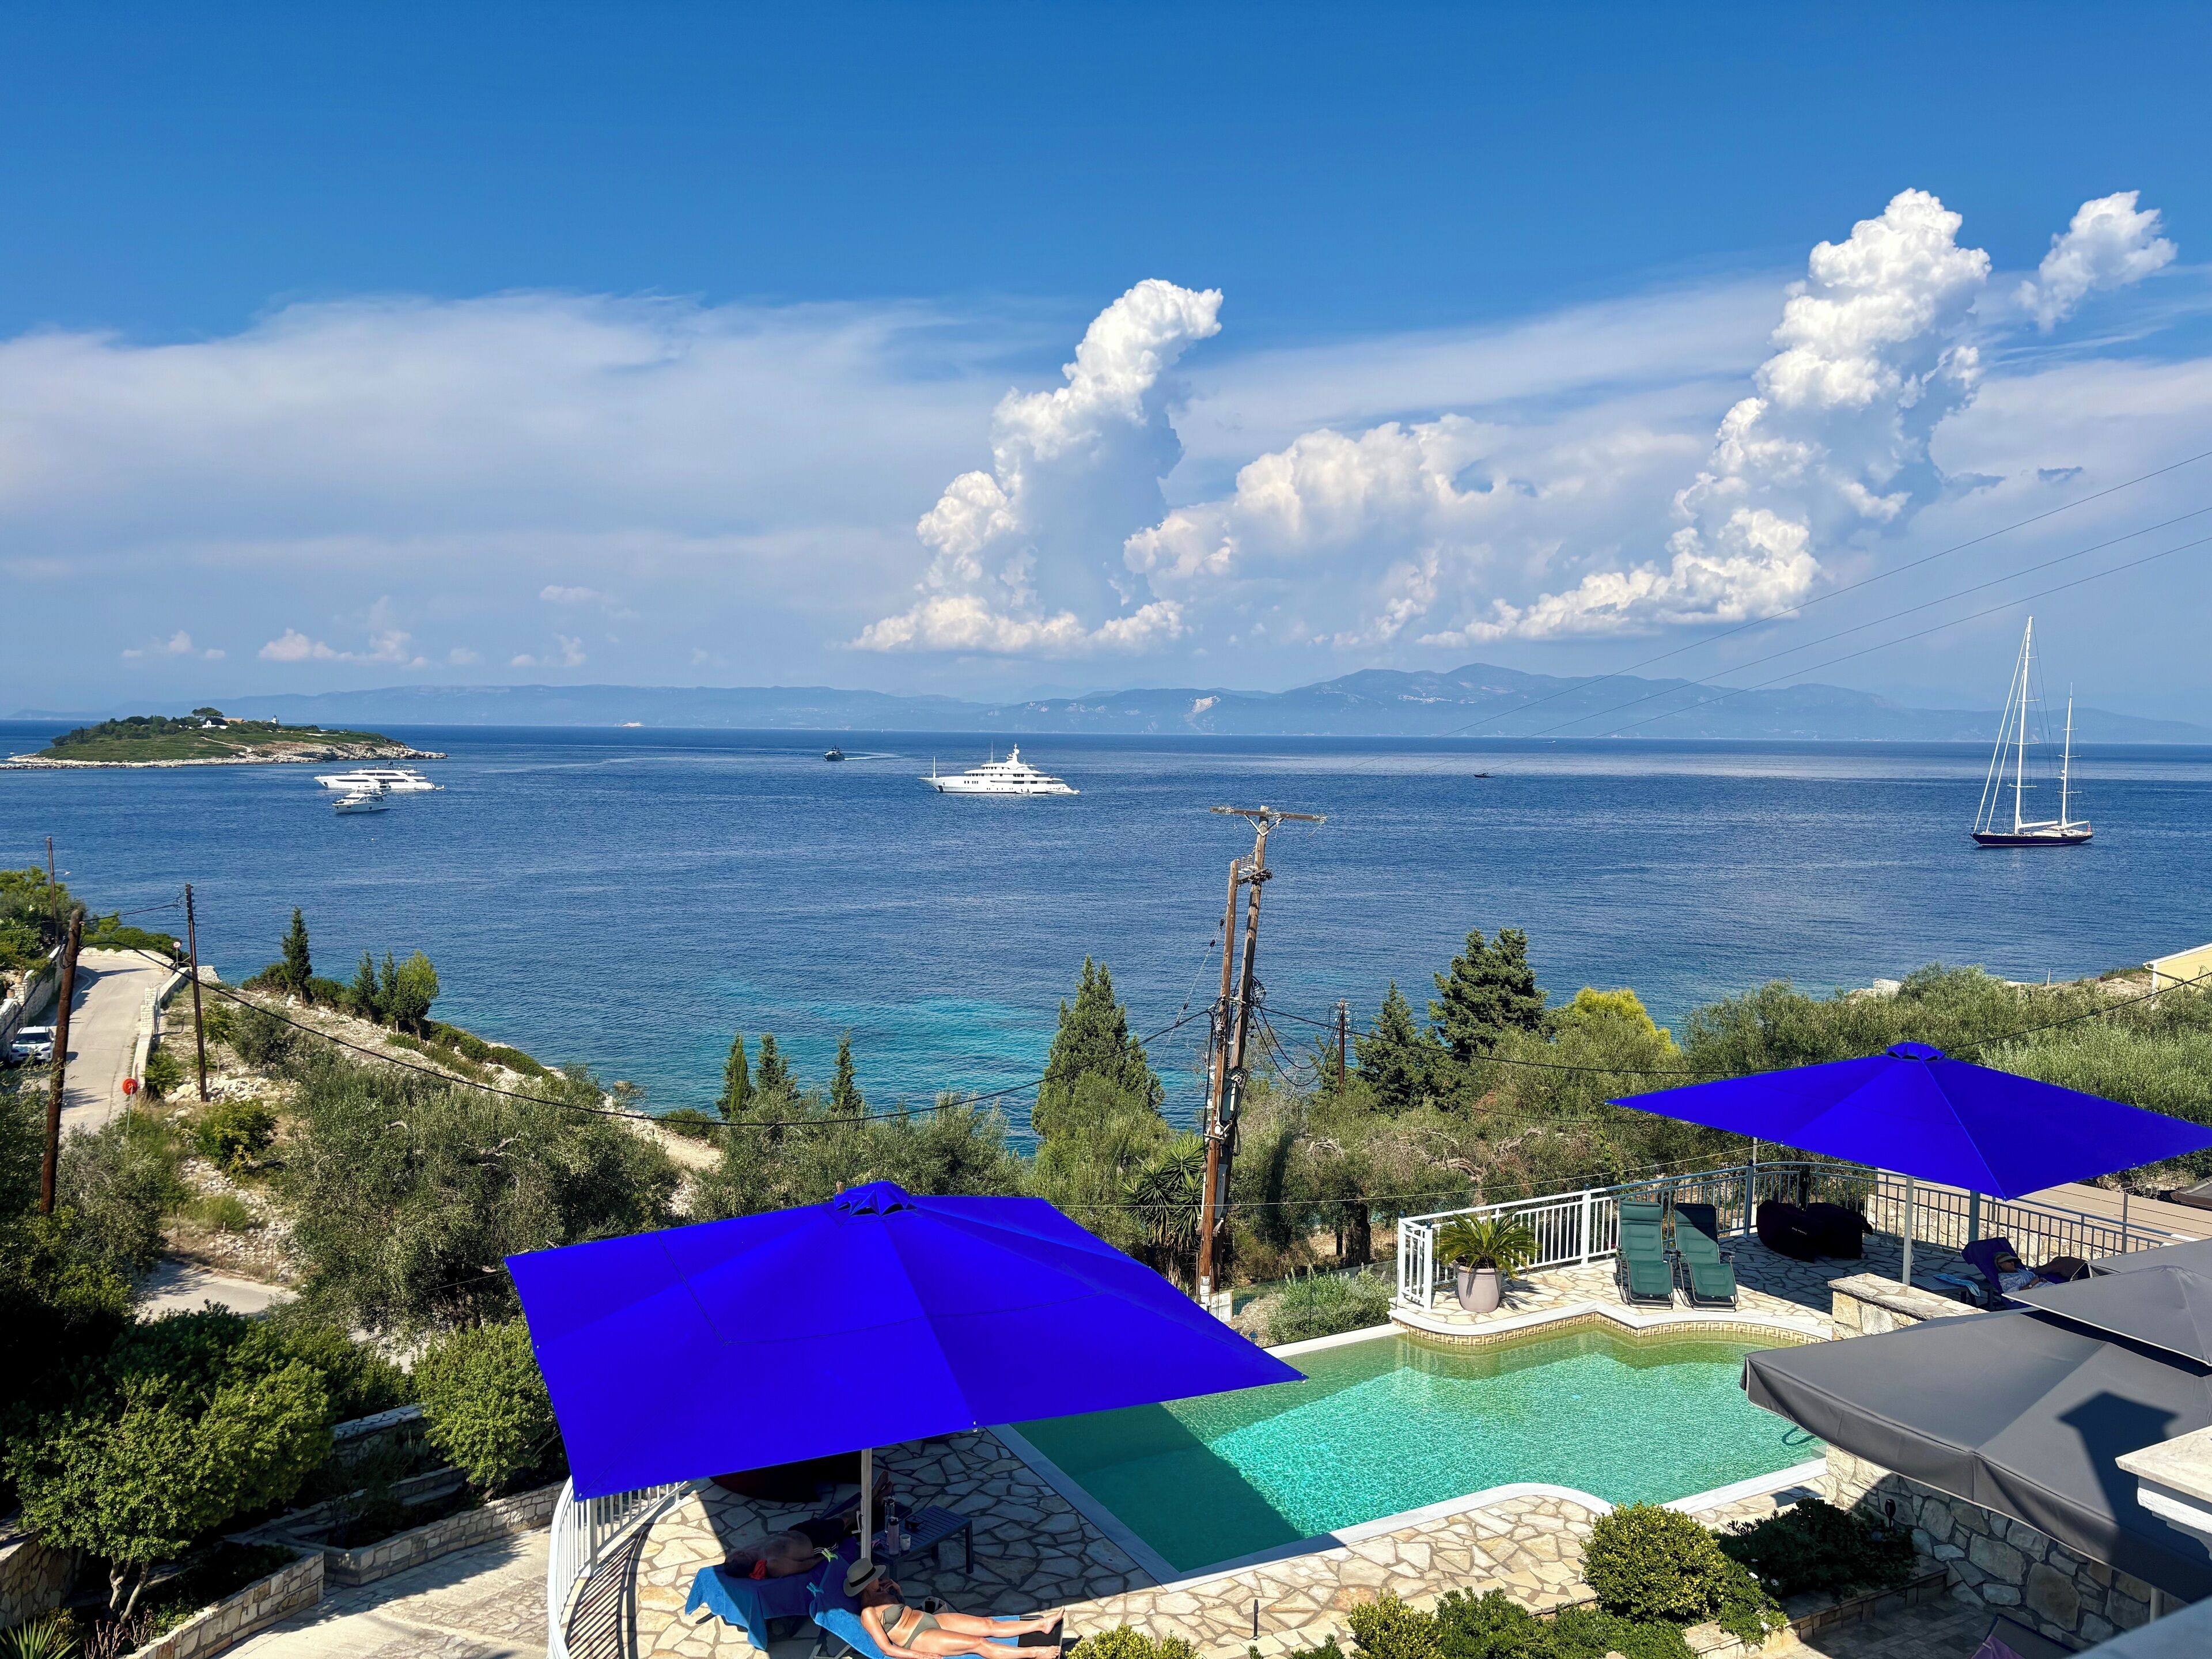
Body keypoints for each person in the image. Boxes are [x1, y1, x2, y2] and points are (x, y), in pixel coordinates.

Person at [854, 1569, 1062, 1657]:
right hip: (919, 1637)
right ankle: (1035, 1653)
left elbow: (902, 1609)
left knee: (988, 1623)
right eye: (875, 1577)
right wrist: (919, 1656)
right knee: (979, 1644)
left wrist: (898, 1591)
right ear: (866, 1585)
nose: (879, 1578)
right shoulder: (868, 1614)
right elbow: (886, 1648)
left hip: (930, 1619)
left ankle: (1041, 1624)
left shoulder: (883, 1592)